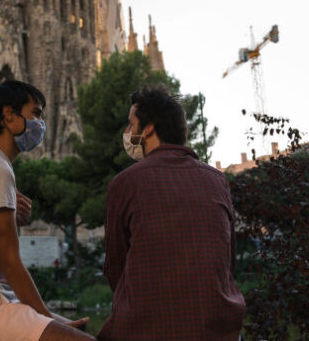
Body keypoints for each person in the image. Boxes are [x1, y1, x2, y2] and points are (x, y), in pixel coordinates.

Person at [0, 80, 93, 341]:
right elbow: (10, 264)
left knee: (72, 330)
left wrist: (59, 320)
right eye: (35, 113)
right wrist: (47, 317)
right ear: (9, 116)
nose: (40, 124)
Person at [98, 85, 246, 340]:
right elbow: (227, 261)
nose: (127, 133)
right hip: (222, 330)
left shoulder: (125, 183)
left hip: (148, 330)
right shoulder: (217, 180)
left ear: (149, 129)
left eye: (131, 125)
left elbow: (116, 268)